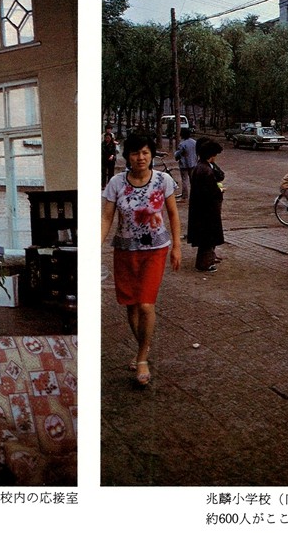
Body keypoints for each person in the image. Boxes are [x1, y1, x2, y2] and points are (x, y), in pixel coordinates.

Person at [101, 133, 181, 387]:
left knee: (146, 304)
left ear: (151, 154)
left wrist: (177, 247)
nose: (141, 157)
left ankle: (142, 357)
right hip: (125, 250)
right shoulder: (115, 183)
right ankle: (142, 350)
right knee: (131, 305)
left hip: (155, 249)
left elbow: (172, 214)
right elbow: (106, 218)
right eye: (135, 153)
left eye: (145, 152)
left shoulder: (162, 180)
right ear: (127, 156)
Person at [187, 138, 225, 273]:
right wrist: (219, 190)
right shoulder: (206, 170)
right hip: (207, 210)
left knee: (205, 239)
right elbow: (209, 191)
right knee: (208, 238)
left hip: (200, 209)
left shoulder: (199, 167)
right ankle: (205, 264)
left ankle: (205, 261)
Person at [173, 128, 198, 202]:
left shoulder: (182, 144)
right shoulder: (194, 142)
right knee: (193, 181)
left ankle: (184, 197)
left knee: (185, 181)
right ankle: (194, 197)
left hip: (184, 165)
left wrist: (176, 156)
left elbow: (178, 154)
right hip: (193, 163)